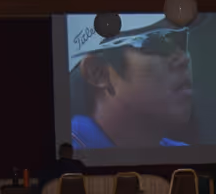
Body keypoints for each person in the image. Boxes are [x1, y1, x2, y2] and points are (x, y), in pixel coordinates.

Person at [66, 14, 194, 149]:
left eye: (180, 39)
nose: (183, 59)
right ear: (98, 73)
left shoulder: (185, 156)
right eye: (156, 41)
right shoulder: (63, 157)